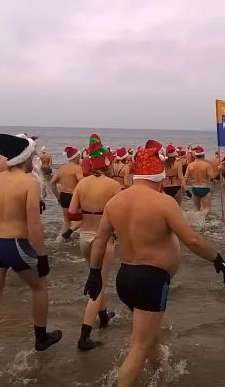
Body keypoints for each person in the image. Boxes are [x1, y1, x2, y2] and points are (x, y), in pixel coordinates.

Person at [83, 139, 225, 387]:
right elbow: (192, 239)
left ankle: (161, 376)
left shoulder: (115, 202)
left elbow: (99, 241)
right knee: (139, 345)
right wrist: (217, 258)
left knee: (149, 337)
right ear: (158, 176)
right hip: (150, 281)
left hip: (125, 277)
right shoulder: (163, 202)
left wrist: (94, 273)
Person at [0, 134, 62, 366]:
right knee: (39, 287)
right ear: (25, 158)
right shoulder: (29, 183)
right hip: (16, 244)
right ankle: (41, 338)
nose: (34, 158)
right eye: (32, 155)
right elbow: (34, 225)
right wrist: (42, 255)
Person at [65, 134, 121, 351]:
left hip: (84, 237)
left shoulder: (82, 184)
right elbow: (120, 215)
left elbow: (71, 214)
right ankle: (84, 337)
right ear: (106, 163)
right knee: (99, 285)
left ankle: (104, 316)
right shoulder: (113, 185)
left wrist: (89, 213)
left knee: (96, 277)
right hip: (103, 240)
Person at [50, 147, 83, 239]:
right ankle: (71, 232)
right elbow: (82, 182)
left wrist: (58, 197)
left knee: (66, 220)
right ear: (76, 157)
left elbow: (52, 183)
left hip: (63, 195)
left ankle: (61, 240)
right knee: (85, 217)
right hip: (74, 196)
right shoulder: (77, 168)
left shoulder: (62, 168)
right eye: (79, 156)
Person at [184, 146, 216, 216]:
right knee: (207, 209)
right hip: (205, 188)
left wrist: (186, 190)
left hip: (194, 188)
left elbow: (184, 180)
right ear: (203, 155)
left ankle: (195, 220)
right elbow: (212, 177)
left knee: (196, 209)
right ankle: (201, 219)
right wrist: (219, 170)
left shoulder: (190, 165)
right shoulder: (207, 165)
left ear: (195, 156)